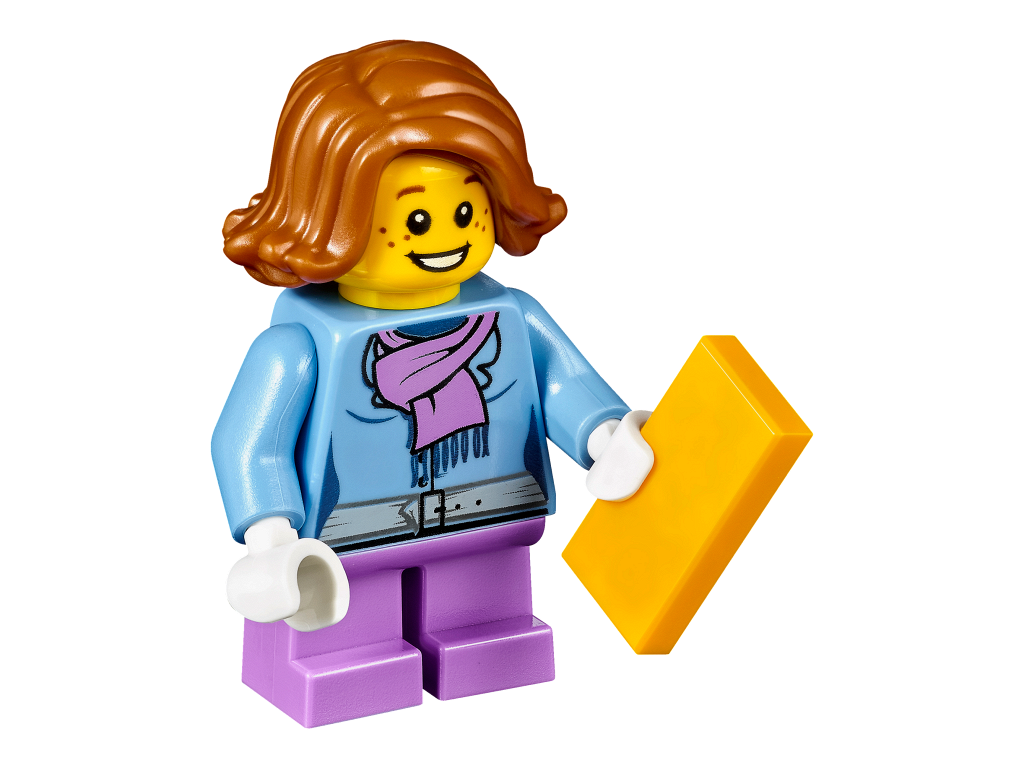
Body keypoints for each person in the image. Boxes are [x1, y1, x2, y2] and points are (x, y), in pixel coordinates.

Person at [213, 41, 653, 727]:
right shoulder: (299, 346)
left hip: (488, 515)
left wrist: (605, 434)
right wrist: (271, 537)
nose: (444, 236)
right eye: (415, 219)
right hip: (347, 541)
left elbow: (559, 382)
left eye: (465, 211)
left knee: (485, 611)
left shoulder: (511, 315)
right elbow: (251, 442)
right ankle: (345, 661)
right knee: (345, 628)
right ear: (329, 217)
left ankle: (486, 638)